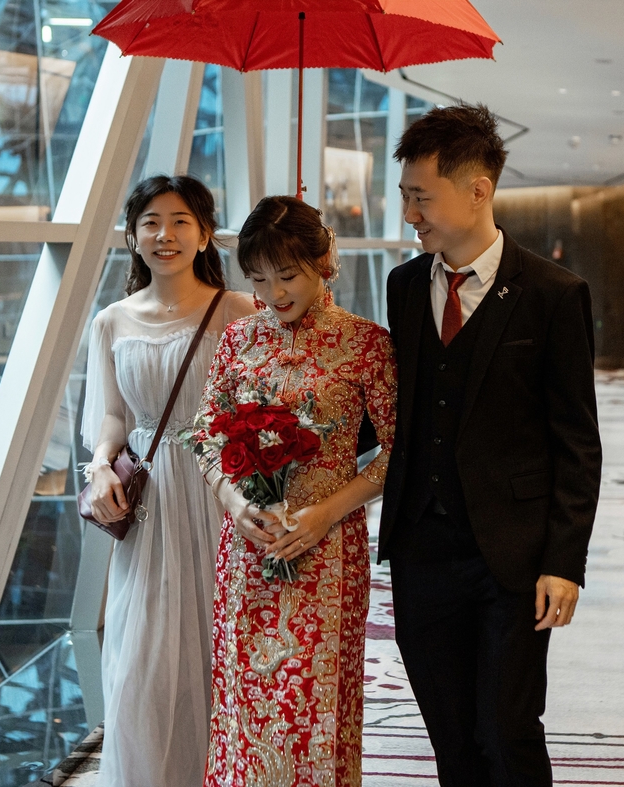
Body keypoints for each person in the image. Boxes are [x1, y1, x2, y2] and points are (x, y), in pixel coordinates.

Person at [378, 103, 603, 786]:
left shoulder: (554, 294)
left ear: (478, 189)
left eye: (421, 197)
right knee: (450, 736)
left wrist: (564, 560)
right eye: (405, 196)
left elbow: (577, 439)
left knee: (507, 729)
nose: (409, 214)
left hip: (513, 555)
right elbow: (399, 407)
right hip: (422, 551)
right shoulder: (404, 286)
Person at [196, 196, 397, 786]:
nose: (273, 293)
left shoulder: (366, 344)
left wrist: (325, 514)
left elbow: (399, 451)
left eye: (286, 275)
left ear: (322, 261)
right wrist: (235, 503)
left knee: (314, 702)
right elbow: (206, 435)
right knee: (244, 700)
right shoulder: (238, 339)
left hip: (327, 551)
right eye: (258, 279)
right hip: (248, 549)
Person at [79, 175, 256, 787]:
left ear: (205, 235)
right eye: (150, 222)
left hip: (221, 492)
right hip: (152, 500)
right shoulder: (111, 321)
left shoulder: (239, 310)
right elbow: (113, 416)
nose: (165, 234)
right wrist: (101, 465)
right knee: (142, 662)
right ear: (132, 236)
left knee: (221, 649)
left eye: (181, 221)